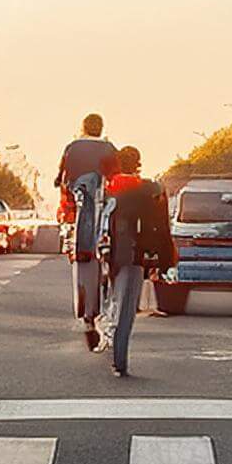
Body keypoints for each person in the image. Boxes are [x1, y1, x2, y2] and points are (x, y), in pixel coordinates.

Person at [97, 147, 175, 377]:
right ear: (138, 164)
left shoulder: (106, 188)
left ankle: (106, 328)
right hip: (138, 254)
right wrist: (165, 259)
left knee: (111, 296)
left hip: (110, 254)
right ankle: (119, 356)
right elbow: (162, 227)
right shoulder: (152, 189)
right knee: (127, 307)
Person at [56, 114, 119, 346]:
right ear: (101, 129)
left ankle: (89, 314)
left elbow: (61, 174)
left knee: (82, 252)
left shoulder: (72, 147)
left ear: (83, 128)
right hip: (106, 211)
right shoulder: (110, 148)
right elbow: (117, 176)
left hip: (82, 210)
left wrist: (59, 181)